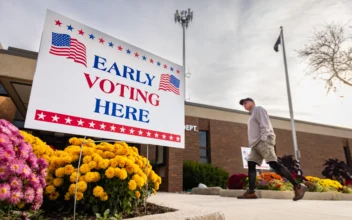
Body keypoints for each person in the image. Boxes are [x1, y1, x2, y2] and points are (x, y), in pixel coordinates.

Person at [237, 97, 307, 201]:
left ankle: (298, 186)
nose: (245, 105)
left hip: (263, 141)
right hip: (256, 145)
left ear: (252, 102)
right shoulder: (252, 115)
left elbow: (264, 123)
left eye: (246, 103)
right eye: (243, 105)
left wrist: (265, 138)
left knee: (273, 163)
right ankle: (251, 192)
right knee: (251, 165)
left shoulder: (258, 109)